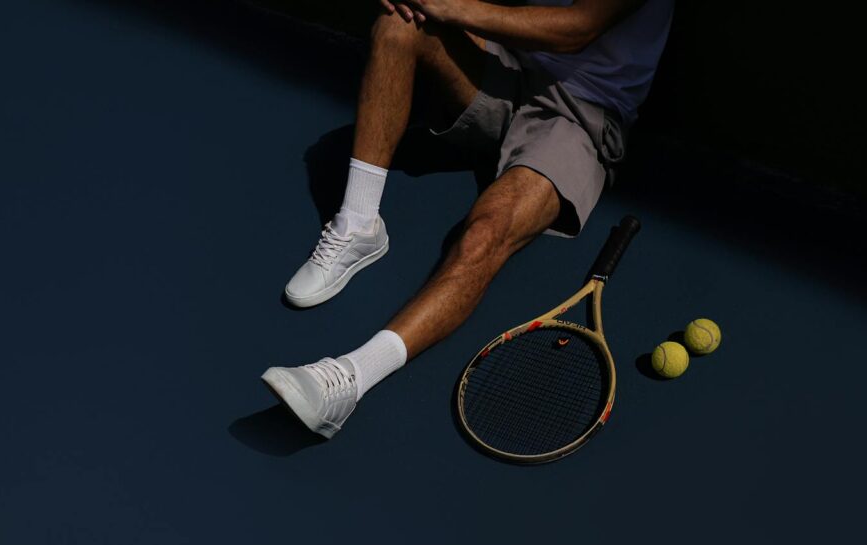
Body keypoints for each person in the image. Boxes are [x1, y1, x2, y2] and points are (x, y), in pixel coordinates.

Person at [262, 0, 674, 438]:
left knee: (483, 235)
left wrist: (449, 7)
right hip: (511, 63)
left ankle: (348, 381)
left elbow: (575, 29)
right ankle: (359, 224)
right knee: (399, 24)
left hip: (579, 112)